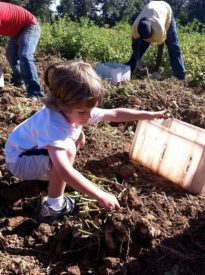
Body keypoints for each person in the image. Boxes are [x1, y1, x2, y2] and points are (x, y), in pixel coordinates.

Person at [5, 60, 169, 224]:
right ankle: (53, 208)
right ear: (60, 104)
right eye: (83, 112)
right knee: (67, 150)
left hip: (28, 153)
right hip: (20, 161)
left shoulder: (74, 109)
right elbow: (65, 171)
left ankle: (50, 178)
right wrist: (99, 195)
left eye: (91, 110)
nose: (89, 117)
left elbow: (114, 114)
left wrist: (150, 115)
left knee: (77, 136)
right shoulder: (53, 125)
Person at [126, 1, 185, 80]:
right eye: (144, 38)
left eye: (148, 37)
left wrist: (155, 70)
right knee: (140, 46)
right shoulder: (135, 27)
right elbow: (134, 45)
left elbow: (160, 51)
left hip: (166, 13)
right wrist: (138, 59)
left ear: (152, 30)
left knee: (173, 47)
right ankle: (128, 69)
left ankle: (180, 77)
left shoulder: (159, 29)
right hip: (152, 11)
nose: (148, 40)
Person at [0, 2, 43, 99]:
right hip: (16, 31)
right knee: (10, 55)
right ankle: (19, 81)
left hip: (29, 26)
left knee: (25, 54)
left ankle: (35, 92)